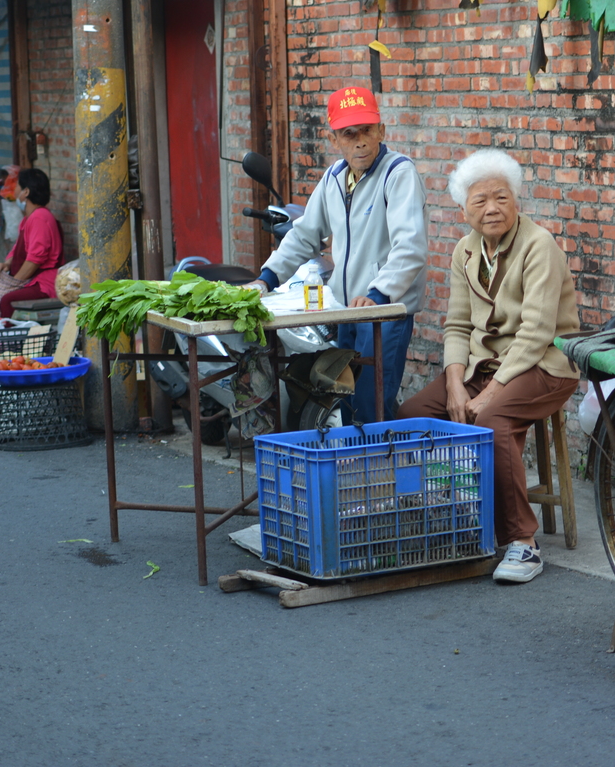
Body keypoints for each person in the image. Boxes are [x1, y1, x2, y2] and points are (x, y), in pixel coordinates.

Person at [397, 149, 580, 584]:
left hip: (545, 365)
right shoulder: (464, 251)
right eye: (480, 201)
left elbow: (536, 332)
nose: (492, 208)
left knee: (493, 422)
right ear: (464, 210)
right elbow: (457, 324)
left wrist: (489, 393)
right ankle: (447, 511)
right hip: (485, 364)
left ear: (517, 200)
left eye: (501, 197)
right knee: (410, 415)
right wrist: (456, 384)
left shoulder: (539, 246)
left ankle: (523, 543)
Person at [245, 84, 426, 422]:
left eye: (367, 131)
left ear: (381, 131)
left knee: (373, 406)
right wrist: (265, 280)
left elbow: (410, 247)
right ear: (334, 140)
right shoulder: (334, 178)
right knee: (347, 402)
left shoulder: (398, 173)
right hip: (347, 311)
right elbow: (304, 235)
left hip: (384, 313)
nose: (360, 141)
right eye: (349, 133)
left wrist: (378, 293)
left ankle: (381, 473)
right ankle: (357, 472)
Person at [0, 168, 64, 318]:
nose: (14, 190)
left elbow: (35, 259)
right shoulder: (28, 219)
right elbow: (18, 249)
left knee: (7, 301)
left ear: (26, 192)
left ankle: (11, 339)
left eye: (17, 186)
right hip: (30, 281)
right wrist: (5, 264)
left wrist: (13, 284)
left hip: (44, 283)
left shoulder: (40, 217)